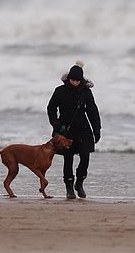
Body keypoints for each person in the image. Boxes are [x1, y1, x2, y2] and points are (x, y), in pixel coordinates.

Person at [47, 61, 101, 199]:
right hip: (65, 130)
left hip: (83, 130)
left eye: (77, 80)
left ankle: (80, 183)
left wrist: (97, 129)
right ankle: (69, 187)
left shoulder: (86, 92)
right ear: (68, 78)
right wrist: (56, 125)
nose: (75, 82)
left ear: (81, 80)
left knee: (85, 158)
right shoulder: (60, 91)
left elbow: (92, 111)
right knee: (68, 159)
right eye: (72, 79)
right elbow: (51, 108)